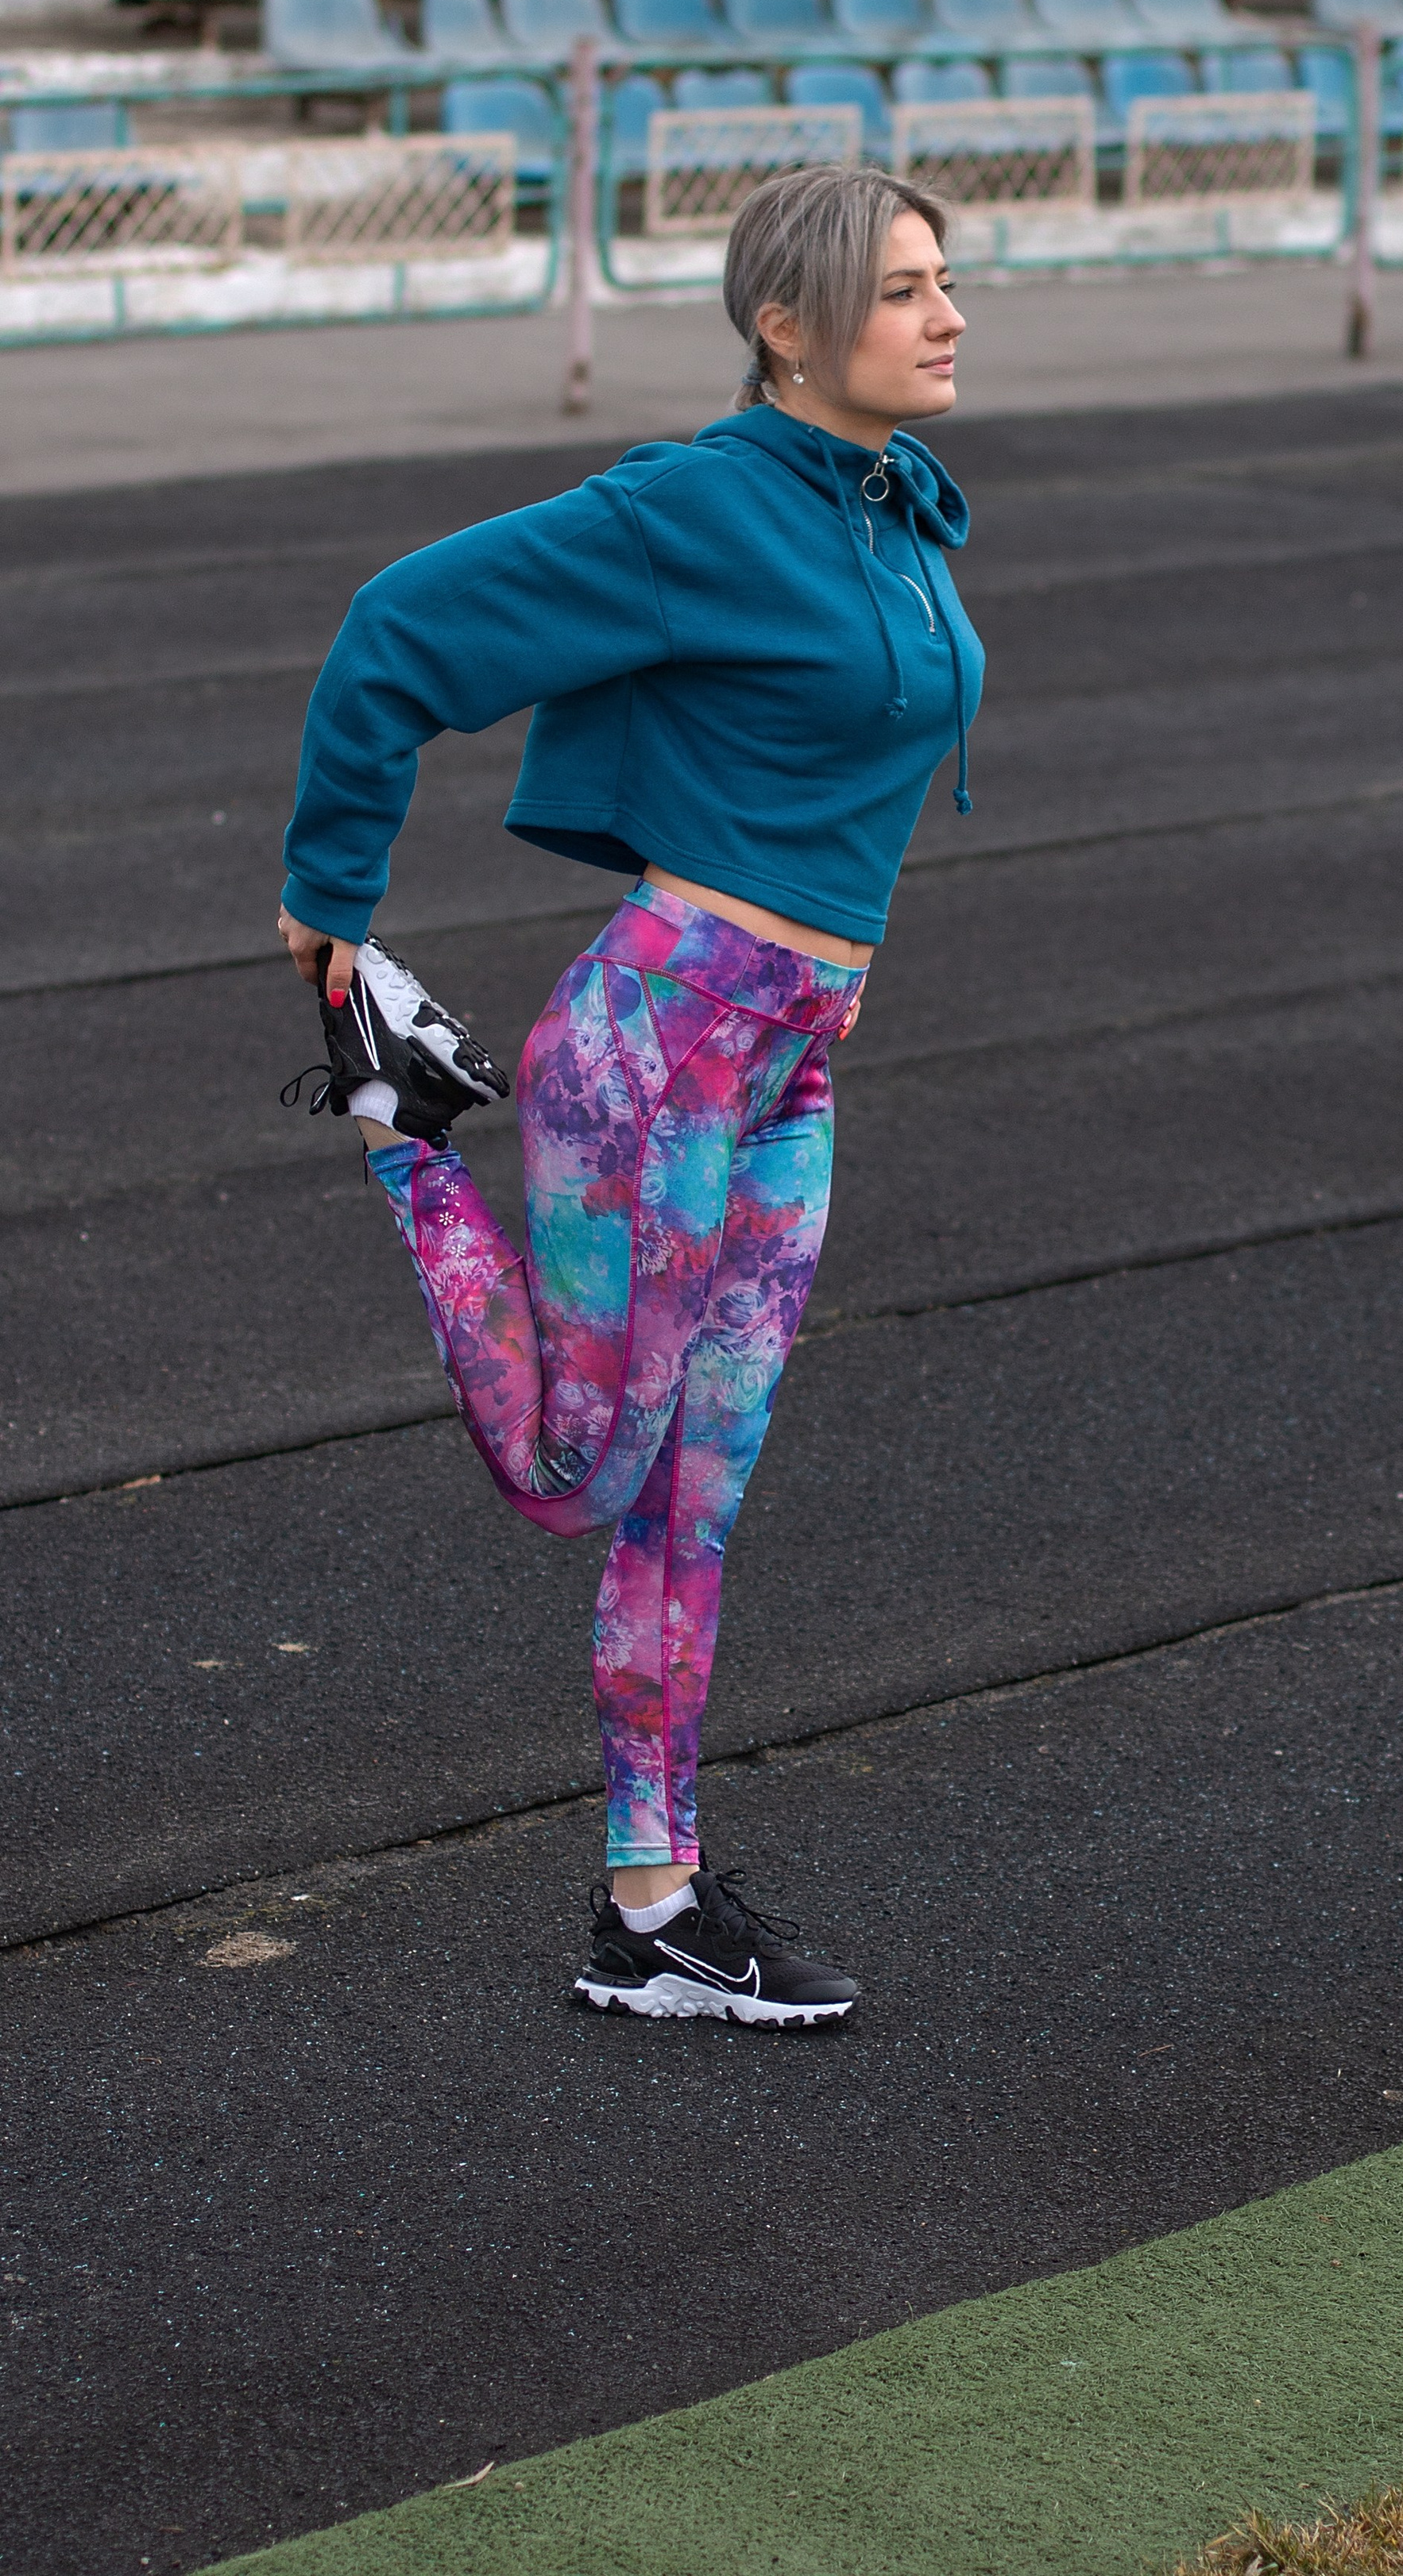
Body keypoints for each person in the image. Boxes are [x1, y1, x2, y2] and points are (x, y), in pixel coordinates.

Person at [274, 167, 980, 2029]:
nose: (947, 313)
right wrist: (327, 898)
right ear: (784, 327)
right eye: (902, 289)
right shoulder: (695, 505)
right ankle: (400, 1125)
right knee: (576, 1467)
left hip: (784, 1064)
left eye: (944, 278)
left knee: (695, 1489)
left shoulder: (888, 504)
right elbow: (396, 630)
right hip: (657, 1048)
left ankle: (650, 1907)